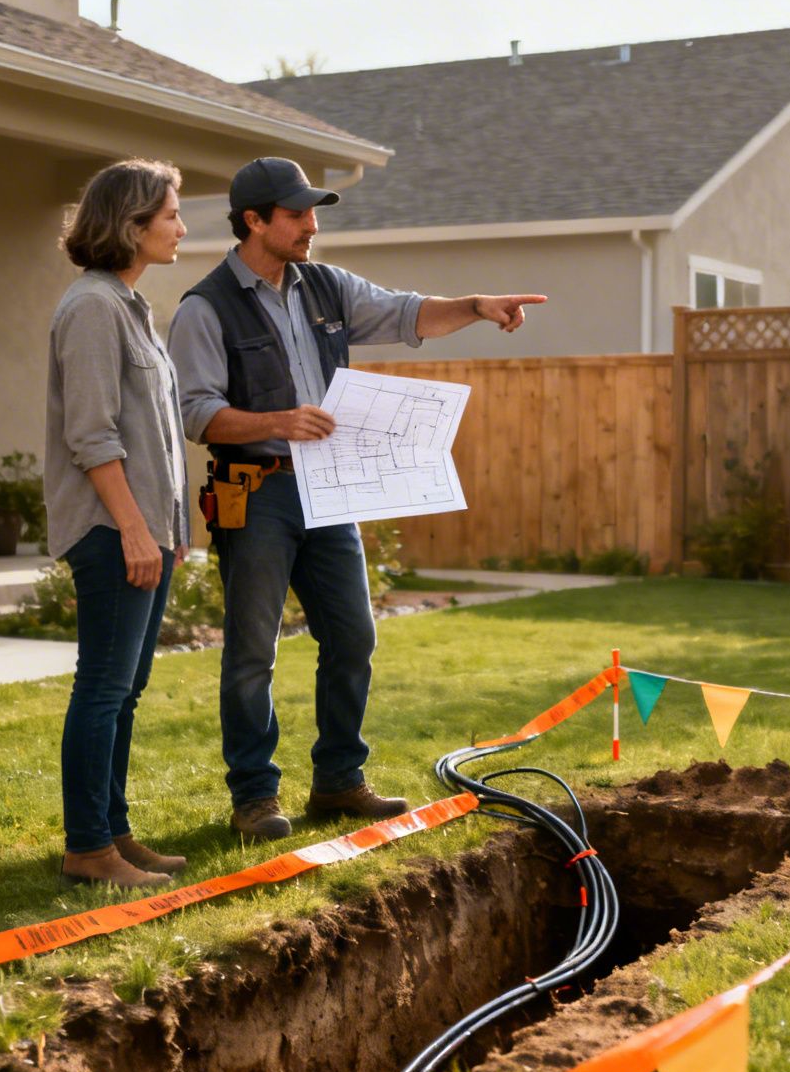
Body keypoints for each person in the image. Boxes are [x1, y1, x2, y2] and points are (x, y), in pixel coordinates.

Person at [169, 156, 546, 841]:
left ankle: (339, 782)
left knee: (353, 636)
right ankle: (254, 795)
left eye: (314, 212)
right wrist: (278, 422)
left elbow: (407, 314)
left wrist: (476, 307)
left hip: (330, 490)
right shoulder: (204, 308)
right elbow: (196, 414)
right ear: (253, 221)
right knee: (254, 650)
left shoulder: (327, 288)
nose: (312, 225)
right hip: (254, 495)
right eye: (296, 214)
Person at [46, 158, 193, 888]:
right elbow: (93, 437)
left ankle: (113, 832)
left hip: (145, 530)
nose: (181, 227)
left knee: (124, 688)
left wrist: (171, 531)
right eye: (170, 214)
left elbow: (155, 436)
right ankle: (87, 847)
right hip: (111, 532)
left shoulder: (130, 306)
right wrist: (136, 530)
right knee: (103, 686)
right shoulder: (93, 309)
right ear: (130, 225)